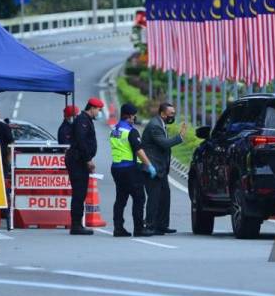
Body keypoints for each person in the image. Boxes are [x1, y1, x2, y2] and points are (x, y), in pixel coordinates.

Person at [109, 103, 157, 237]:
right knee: (139, 198)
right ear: (129, 116)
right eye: (134, 115)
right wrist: (149, 166)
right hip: (130, 169)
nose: (135, 117)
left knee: (121, 198)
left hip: (116, 168)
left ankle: (118, 228)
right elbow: (139, 150)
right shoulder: (131, 131)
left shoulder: (114, 129)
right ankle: (139, 229)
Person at [142, 102, 187, 235]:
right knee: (154, 198)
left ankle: (161, 225)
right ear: (163, 113)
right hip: (153, 168)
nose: (173, 116)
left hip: (161, 169)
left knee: (164, 197)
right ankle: (150, 225)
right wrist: (180, 137)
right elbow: (164, 144)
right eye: (171, 113)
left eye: (174, 113)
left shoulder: (161, 124)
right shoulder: (155, 126)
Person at [66, 97, 103, 235]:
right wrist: (88, 160)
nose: (99, 113)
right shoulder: (82, 120)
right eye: (98, 110)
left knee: (80, 193)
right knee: (79, 193)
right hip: (78, 161)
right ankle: (76, 225)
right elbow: (81, 141)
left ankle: (77, 224)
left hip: (80, 161)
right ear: (92, 108)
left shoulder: (86, 120)